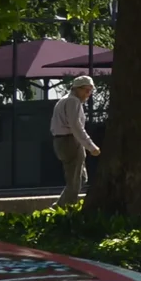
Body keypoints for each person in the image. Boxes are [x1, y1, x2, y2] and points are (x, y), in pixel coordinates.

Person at [51, 75, 100, 208]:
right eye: (86, 90)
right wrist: (91, 146)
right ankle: (65, 210)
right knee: (75, 181)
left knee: (81, 178)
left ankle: (59, 206)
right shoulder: (73, 102)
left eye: (90, 91)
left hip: (61, 141)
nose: (88, 94)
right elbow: (76, 127)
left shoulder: (64, 100)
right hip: (69, 142)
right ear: (77, 89)